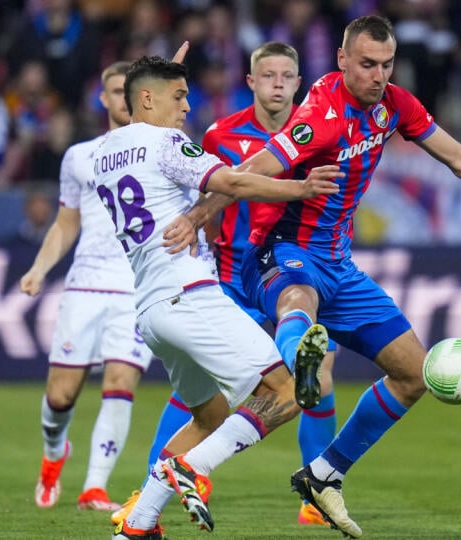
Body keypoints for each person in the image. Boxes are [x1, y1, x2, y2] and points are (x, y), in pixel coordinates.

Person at [169, 15, 461, 538]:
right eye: (367, 64)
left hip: (339, 264)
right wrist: (195, 217)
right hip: (286, 250)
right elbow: (254, 168)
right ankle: (300, 351)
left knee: (415, 374)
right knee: (298, 301)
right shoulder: (320, 112)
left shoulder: (395, 104)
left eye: (386, 65)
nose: (378, 75)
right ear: (343, 59)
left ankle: (324, 474)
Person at [97, 55, 342, 540]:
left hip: (150, 310)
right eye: (179, 96)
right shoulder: (164, 141)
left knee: (210, 415)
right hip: (188, 293)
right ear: (147, 98)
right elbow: (229, 181)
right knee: (288, 391)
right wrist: (300, 187)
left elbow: (147, 109)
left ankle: (138, 525)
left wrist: (164, 68)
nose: (188, 106)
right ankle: (188, 470)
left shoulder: (107, 150)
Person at [19, 61, 151, 513]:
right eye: (115, 91)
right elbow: (65, 223)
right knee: (60, 397)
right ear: (103, 98)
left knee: (121, 382)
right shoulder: (79, 156)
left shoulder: (163, 152)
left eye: (129, 91)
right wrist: (40, 269)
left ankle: (94, 487)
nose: (122, 99)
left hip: (138, 291)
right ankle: (55, 453)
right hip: (86, 287)